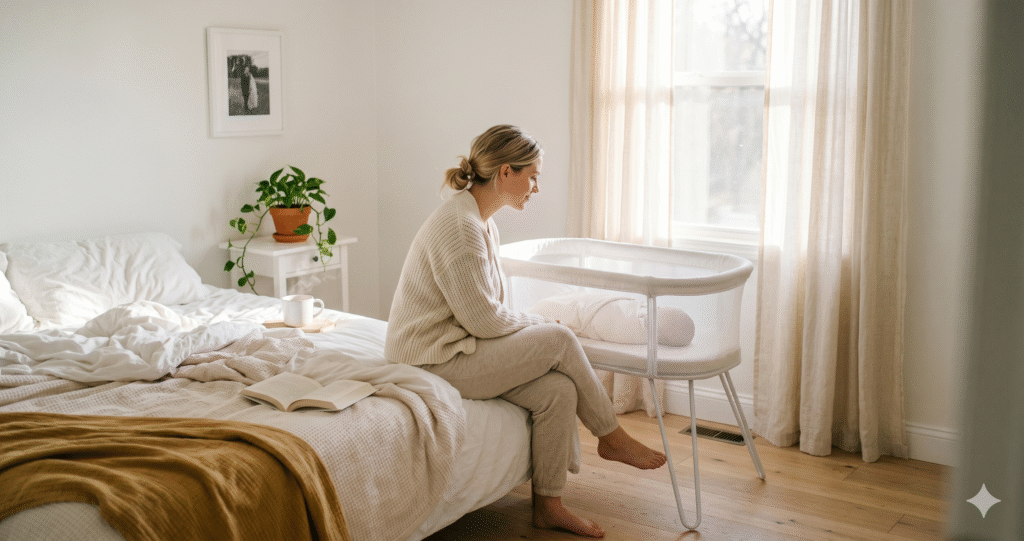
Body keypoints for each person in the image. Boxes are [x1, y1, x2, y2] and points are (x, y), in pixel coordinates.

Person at [385, 125, 666, 538]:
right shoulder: (460, 227)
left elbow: (484, 313)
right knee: (559, 338)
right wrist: (541, 325)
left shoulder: (480, 220)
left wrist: (532, 326)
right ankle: (612, 436)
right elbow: (484, 320)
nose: (536, 187)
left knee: (558, 391)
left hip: (458, 346)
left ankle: (549, 505)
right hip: (431, 358)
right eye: (532, 175)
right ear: (504, 173)